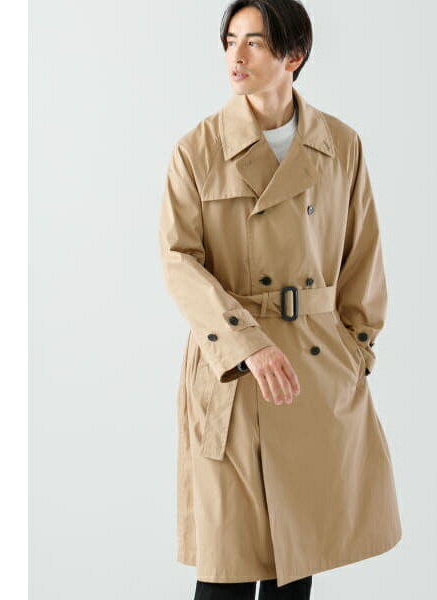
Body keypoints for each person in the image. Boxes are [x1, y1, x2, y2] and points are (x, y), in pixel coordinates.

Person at [158, 1, 403, 598]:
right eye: (230, 41)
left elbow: (362, 256)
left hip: (313, 373)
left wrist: (355, 353)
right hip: (233, 375)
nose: (236, 56)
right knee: (226, 571)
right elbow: (178, 261)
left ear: (295, 55)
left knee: (294, 566)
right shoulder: (198, 150)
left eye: (255, 42)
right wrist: (247, 344)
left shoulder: (340, 145)